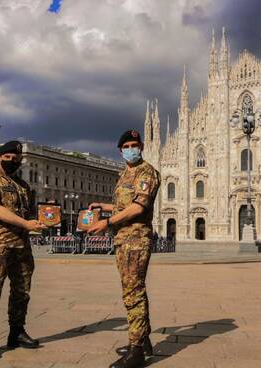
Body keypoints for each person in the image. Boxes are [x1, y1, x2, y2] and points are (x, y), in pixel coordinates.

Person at [87, 129, 161, 368]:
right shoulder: (125, 173)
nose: (132, 148)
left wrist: (107, 222)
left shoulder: (146, 172)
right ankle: (144, 338)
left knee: (133, 291)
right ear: (120, 150)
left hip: (136, 240)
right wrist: (104, 206)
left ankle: (136, 350)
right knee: (132, 289)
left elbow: (139, 207)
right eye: (127, 145)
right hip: (123, 240)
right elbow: (124, 205)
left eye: (135, 144)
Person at [0, 140, 46, 360]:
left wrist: (43, 220)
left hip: (21, 246)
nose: (12, 162)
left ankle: (16, 332)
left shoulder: (23, 186)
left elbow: (29, 213)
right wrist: (25, 224)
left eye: (16, 159)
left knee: (22, 291)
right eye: (8, 158)